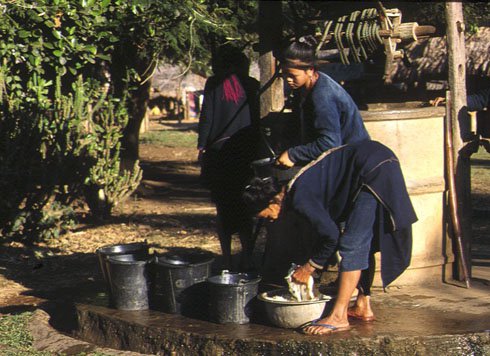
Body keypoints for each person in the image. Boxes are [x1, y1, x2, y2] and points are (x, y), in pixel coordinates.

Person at [243, 140, 418, 335]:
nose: (269, 220)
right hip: (378, 159)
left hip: (370, 170)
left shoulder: (300, 198)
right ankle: (363, 304)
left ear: (272, 200)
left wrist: (309, 267)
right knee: (361, 241)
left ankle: (338, 316)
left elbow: (331, 236)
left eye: (265, 215)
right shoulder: (297, 188)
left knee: (353, 244)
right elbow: (327, 229)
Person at [197, 44, 260, 271]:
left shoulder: (214, 84)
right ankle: (248, 256)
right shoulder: (252, 86)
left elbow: (207, 118)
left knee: (223, 209)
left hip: (220, 157)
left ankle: (227, 258)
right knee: (245, 207)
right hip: (246, 154)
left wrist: (202, 146)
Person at [276, 39, 370, 168]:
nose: (288, 80)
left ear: (309, 70)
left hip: (354, 161)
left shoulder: (323, 96)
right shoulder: (304, 88)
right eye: (285, 74)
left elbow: (330, 143)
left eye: (292, 75)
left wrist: (293, 155)